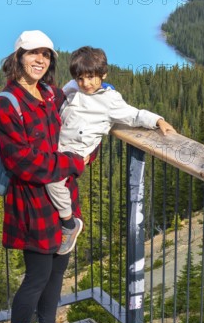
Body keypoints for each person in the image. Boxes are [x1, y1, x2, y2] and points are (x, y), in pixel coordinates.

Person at [0, 30, 87, 323]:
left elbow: (77, 124)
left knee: (59, 268)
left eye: (46, 54)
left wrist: (90, 143)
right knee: (37, 275)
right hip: (31, 202)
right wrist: (76, 163)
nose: (40, 60)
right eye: (33, 53)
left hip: (60, 195)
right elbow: (23, 162)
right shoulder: (7, 103)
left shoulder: (50, 93)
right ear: (18, 57)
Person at [45, 46, 176, 255]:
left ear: (103, 74)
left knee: (51, 181)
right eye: (80, 78)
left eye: (91, 77)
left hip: (75, 154)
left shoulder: (110, 100)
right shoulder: (72, 88)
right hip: (56, 148)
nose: (85, 83)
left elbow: (134, 115)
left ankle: (69, 224)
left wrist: (158, 120)